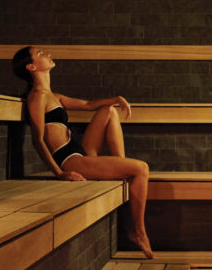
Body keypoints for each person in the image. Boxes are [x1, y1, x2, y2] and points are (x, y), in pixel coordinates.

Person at [11, 46, 153, 258]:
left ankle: (120, 168)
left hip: (79, 150)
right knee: (141, 169)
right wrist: (59, 173)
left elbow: (88, 105)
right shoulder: (37, 97)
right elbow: (37, 140)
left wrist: (116, 99)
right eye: (40, 54)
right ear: (31, 67)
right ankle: (138, 231)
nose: (47, 53)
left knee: (108, 111)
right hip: (70, 160)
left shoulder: (53, 95)